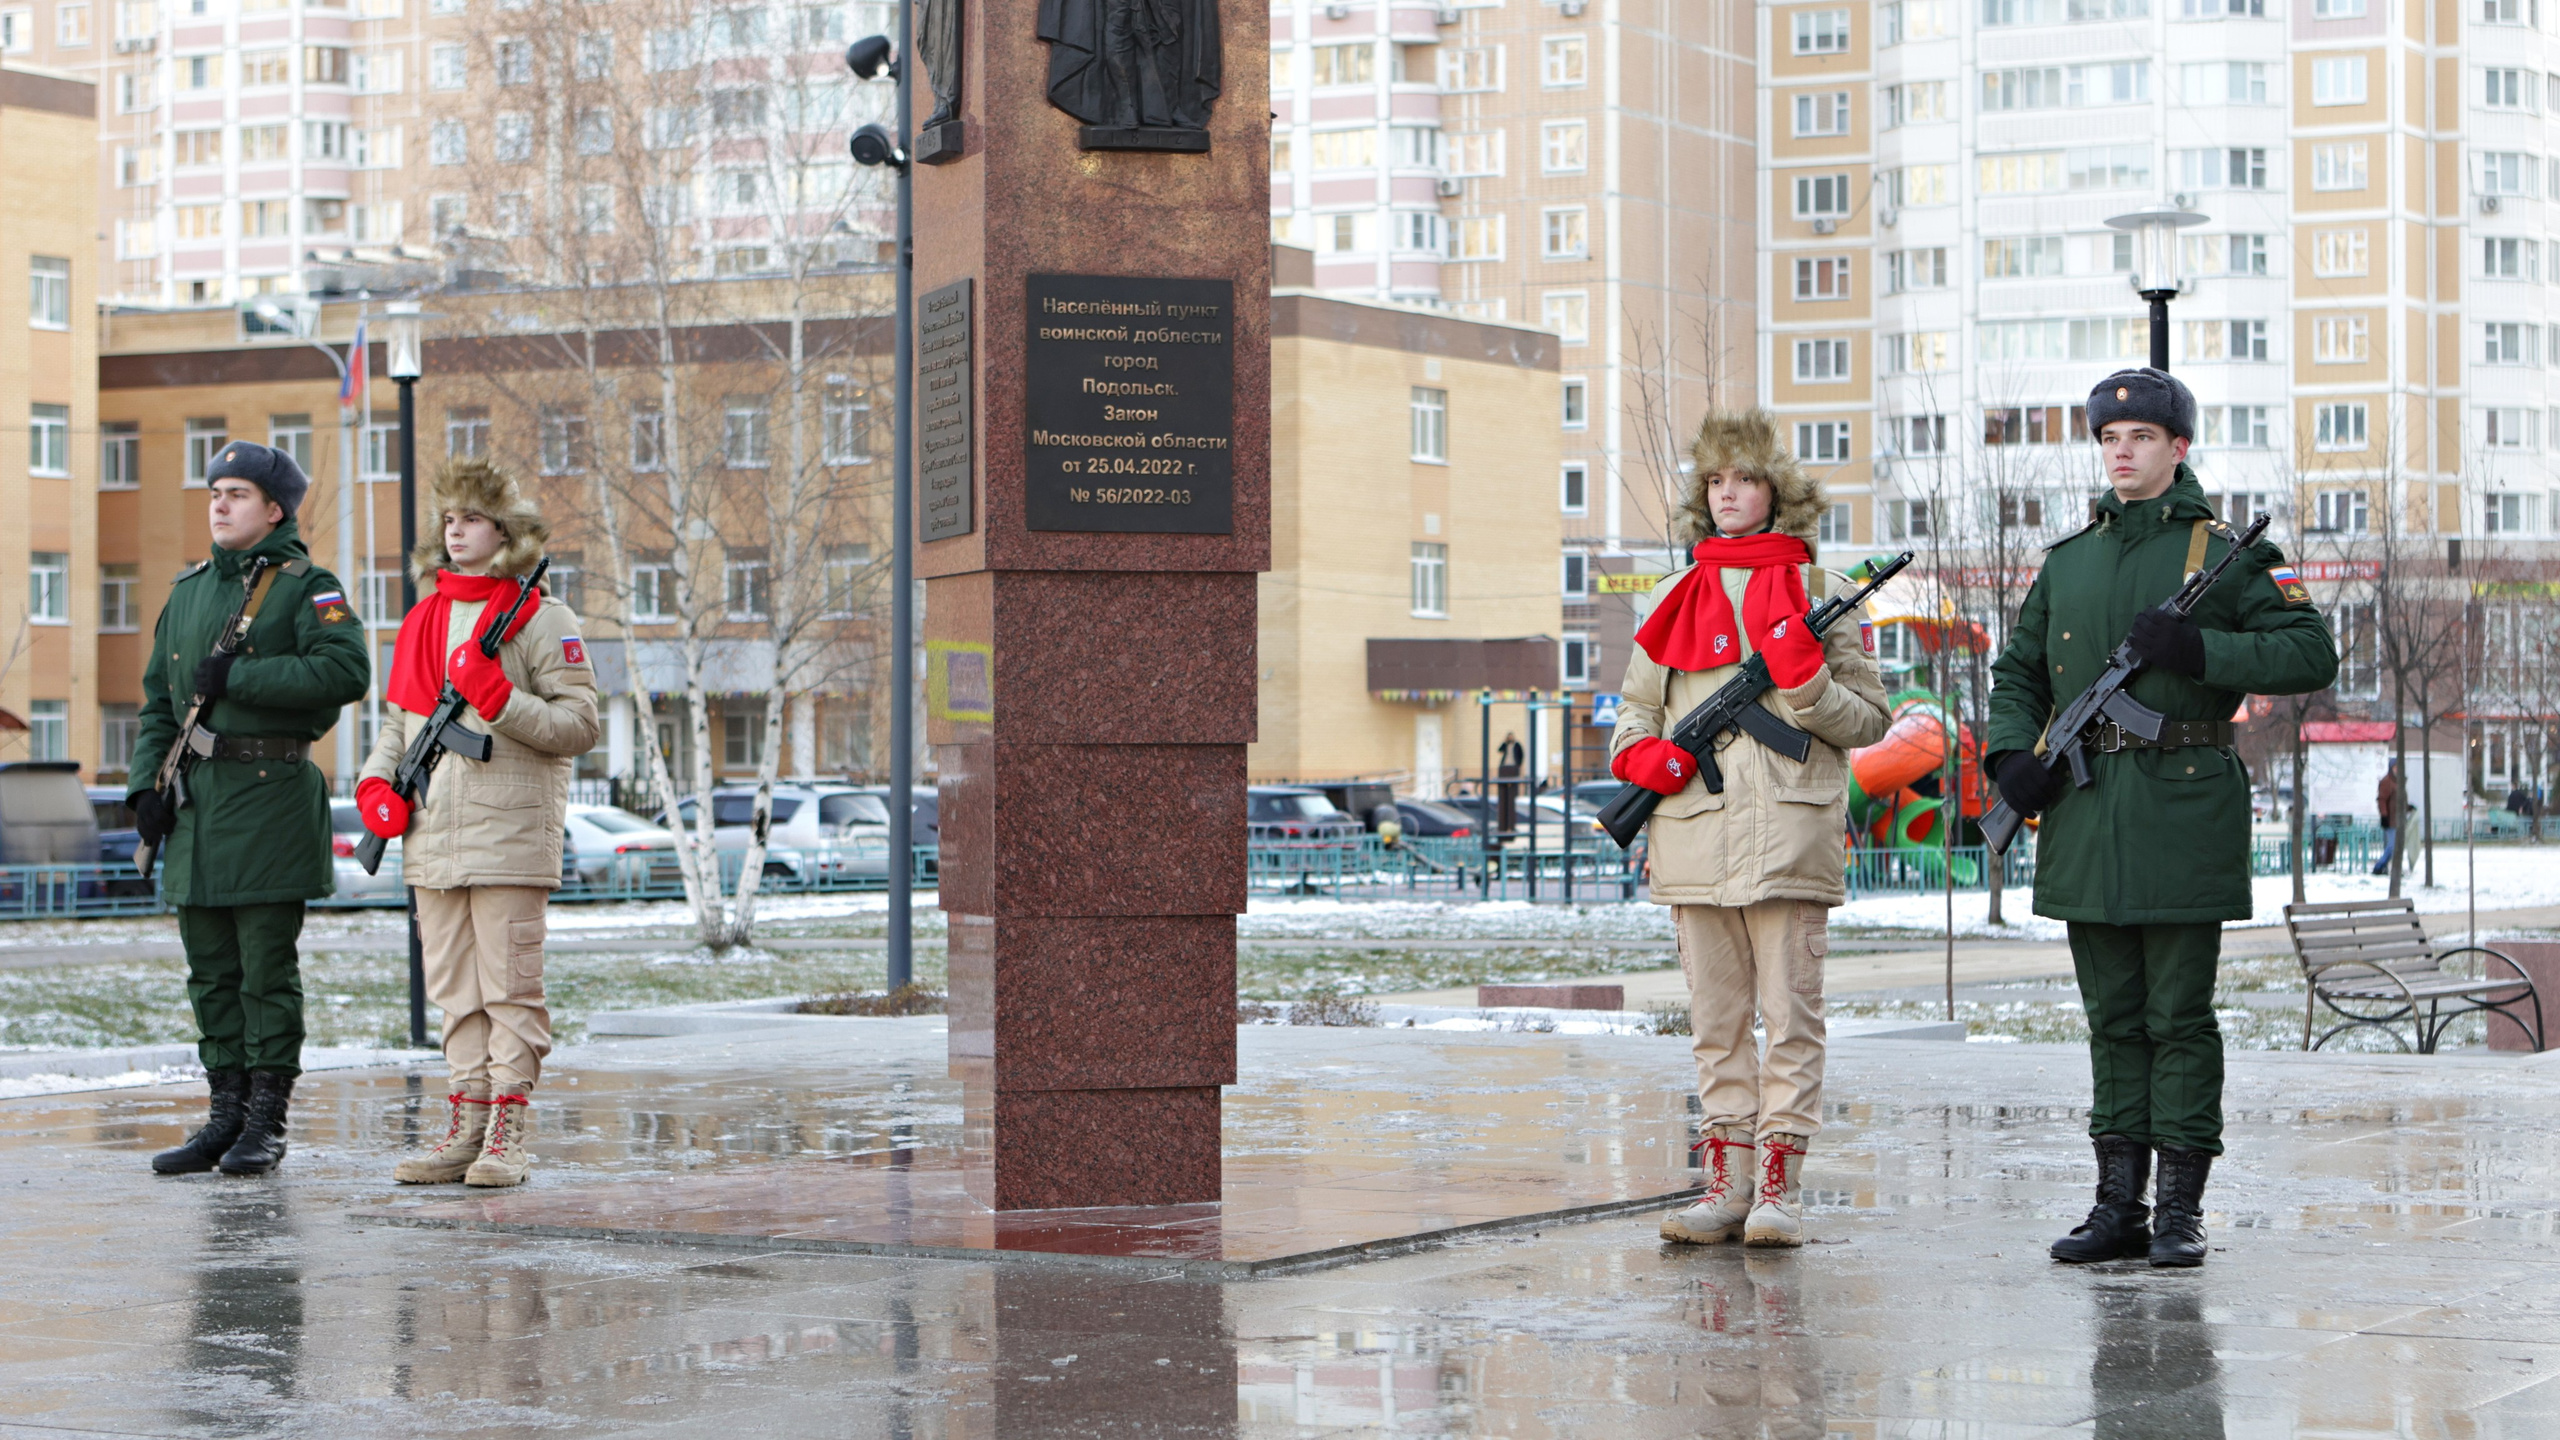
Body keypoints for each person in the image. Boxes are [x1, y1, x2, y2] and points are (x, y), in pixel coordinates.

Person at [1986, 368, 2338, 1268]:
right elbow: (2018, 672)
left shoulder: (2224, 553)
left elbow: (2311, 651)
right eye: (2109, 439)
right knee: (2112, 1019)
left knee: (2179, 1015)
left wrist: (2198, 648)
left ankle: (2179, 1210)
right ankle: (2118, 1206)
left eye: (2140, 437)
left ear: (2177, 448)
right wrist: (2011, 755)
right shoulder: (2068, 560)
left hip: (2182, 806)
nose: (2122, 453)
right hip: (2084, 811)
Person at [1612, 410, 1891, 1249]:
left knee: (1790, 1020)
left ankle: (1778, 1190)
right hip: (1693, 837)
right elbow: (1632, 717)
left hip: (1788, 841)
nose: (1728, 494)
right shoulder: (1672, 596)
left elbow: (1869, 720)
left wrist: (1806, 688)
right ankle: (1725, 1186)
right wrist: (1649, 760)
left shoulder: (1820, 592)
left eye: (1744, 478)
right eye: (1715, 480)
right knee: (1717, 1025)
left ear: (1778, 492)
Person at [359, 460, 599, 1188]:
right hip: (432, 832)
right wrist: (375, 783)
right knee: (455, 992)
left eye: (470, 518)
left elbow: (580, 724)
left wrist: (498, 699)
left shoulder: (543, 618)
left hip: (509, 835)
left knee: (510, 989)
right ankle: (465, 1126)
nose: (455, 530)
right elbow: (400, 726)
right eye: (448, 519)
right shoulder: (425, 618)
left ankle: (506, 1131)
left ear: (504, 530)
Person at [135, 442, 370, 1177]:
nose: (220, 504)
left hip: (268, 799)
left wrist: (244, 674)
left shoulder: (308, 587)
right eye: (216, 492)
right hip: (197, 808)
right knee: (209, 971)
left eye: (237, 493)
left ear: (274, 509)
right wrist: (144, 789)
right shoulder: (189, 590)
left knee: (265, 970)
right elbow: (157, 703)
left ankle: (266, 1121)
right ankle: (225, 1116)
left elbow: (347, 670)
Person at [2373, 763, 2404, 875]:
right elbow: (2382, 799)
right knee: (2392, 846)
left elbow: (2398, 800)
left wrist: (2407, 807)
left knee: (2395, 846)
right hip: (2390, 819)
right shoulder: (2387, 781)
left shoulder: (2397, 782)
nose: (2397, 769)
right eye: (2395, 767)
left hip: (2397, 819)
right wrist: (2384, 815)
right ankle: (2379, 866)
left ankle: (2387, 867)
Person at [1495, 731, 1525, 837]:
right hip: (1505, 766)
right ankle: (1504, 827)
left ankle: (1510, 826)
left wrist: (1519, 765)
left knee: (1512, 793)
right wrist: (1504, 743)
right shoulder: (1506, 745)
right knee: (1503, 793)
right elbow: (1499, 750)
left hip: (1513, 766)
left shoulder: (1517, 745)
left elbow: (1521, 755)